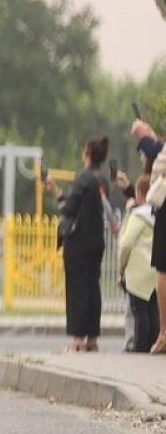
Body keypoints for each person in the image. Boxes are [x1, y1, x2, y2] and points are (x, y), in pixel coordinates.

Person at [44, 136, 111, 352]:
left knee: (77, 288)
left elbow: (68, 208)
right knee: (93, 287)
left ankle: (77, 340)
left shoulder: (82, 178)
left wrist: (55, 192)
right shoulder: (102, 180)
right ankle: (92, 338)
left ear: (88, 153)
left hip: (78, 242)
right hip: (96, 241)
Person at [117, 174, 159, 353]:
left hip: (138, 273)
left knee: (139, 313)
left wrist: (121, 267)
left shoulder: (138, 217)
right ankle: (153, 345)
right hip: (155, 272)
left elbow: (125, 244)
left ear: (140, 194)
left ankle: (140, 349)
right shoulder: (158, 217)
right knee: (153, 312)